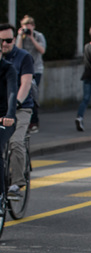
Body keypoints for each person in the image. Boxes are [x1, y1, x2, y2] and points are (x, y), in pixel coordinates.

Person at [0, 23, 34, 199]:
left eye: (7, 40)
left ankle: (16, 183)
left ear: (14, 39)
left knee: (15, 142)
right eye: (0, 40)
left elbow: (25, 83)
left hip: (20, 109)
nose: (4, 44)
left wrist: (16, 105)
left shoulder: (24, 57)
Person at [16, 15, 46, 133]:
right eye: (25, 28)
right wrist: (19, 36)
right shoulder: (21, 37)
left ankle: (34, 122)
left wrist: (32, 37)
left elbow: (42, 50)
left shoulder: (38, 36)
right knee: (23, 94)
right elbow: (17, 50)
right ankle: (25, 121)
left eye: (29, 27)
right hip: (22, 70)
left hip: (36, 69)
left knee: (32, 94)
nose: (27, 30)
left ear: (33, 26)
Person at [0, 49, 17, 207]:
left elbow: (12, 92)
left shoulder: (8, 68)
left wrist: (10, 115)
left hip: (4, 120)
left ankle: (0, 195)